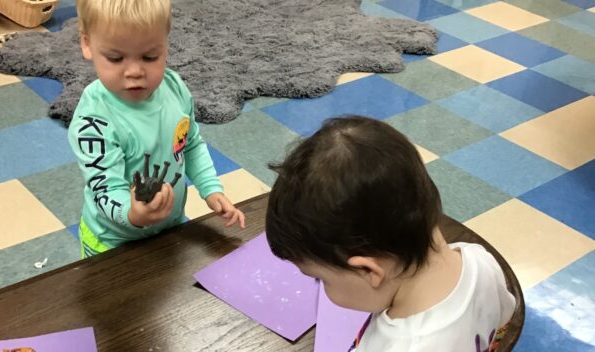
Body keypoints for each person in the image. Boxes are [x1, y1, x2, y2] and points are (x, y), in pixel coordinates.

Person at [265, 116, 515, 351]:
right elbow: (503, 324)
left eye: (321, 280)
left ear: (369, 270)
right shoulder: (480, 260)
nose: (322, 289)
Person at [68, 0, 245, 258]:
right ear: (87, 44)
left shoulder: (174, 88)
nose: (135, 71)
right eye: (116, 58)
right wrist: (133, 213)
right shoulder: (95, 121)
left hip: (169, 229)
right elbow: (105, 188)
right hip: (112, 243)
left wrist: (210, 188)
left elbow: (191, 143)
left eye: (150, 57)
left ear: (166, 45)